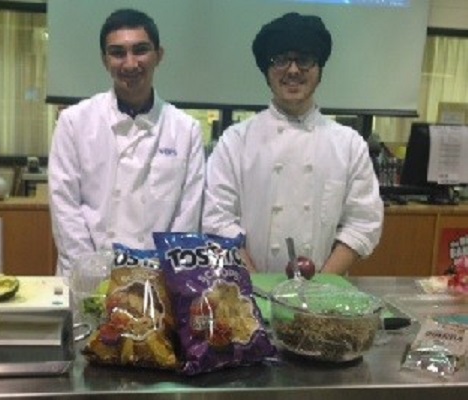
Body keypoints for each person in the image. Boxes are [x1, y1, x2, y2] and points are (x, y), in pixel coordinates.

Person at [202, 13, 383, 275]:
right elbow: (217, 219)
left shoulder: (348, 144)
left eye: (305, 60)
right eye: (280, 60)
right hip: (250, 290)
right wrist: (257, 285)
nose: (293, 70)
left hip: (324, 296)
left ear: (320, 69)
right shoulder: (236, 141)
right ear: (267, 70)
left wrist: (321, 287)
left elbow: (363, 222)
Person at [49, 9, 205, 276]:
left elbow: (186, 218)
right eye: (118, 53)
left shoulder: (186, 129)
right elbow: (64, 207)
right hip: (88, 279)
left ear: (159, 55)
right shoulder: (74, 122)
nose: (130, 64)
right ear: (104, 60)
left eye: (141, 50)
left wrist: (155, 275)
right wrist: (94, 274)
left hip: (158, 280)